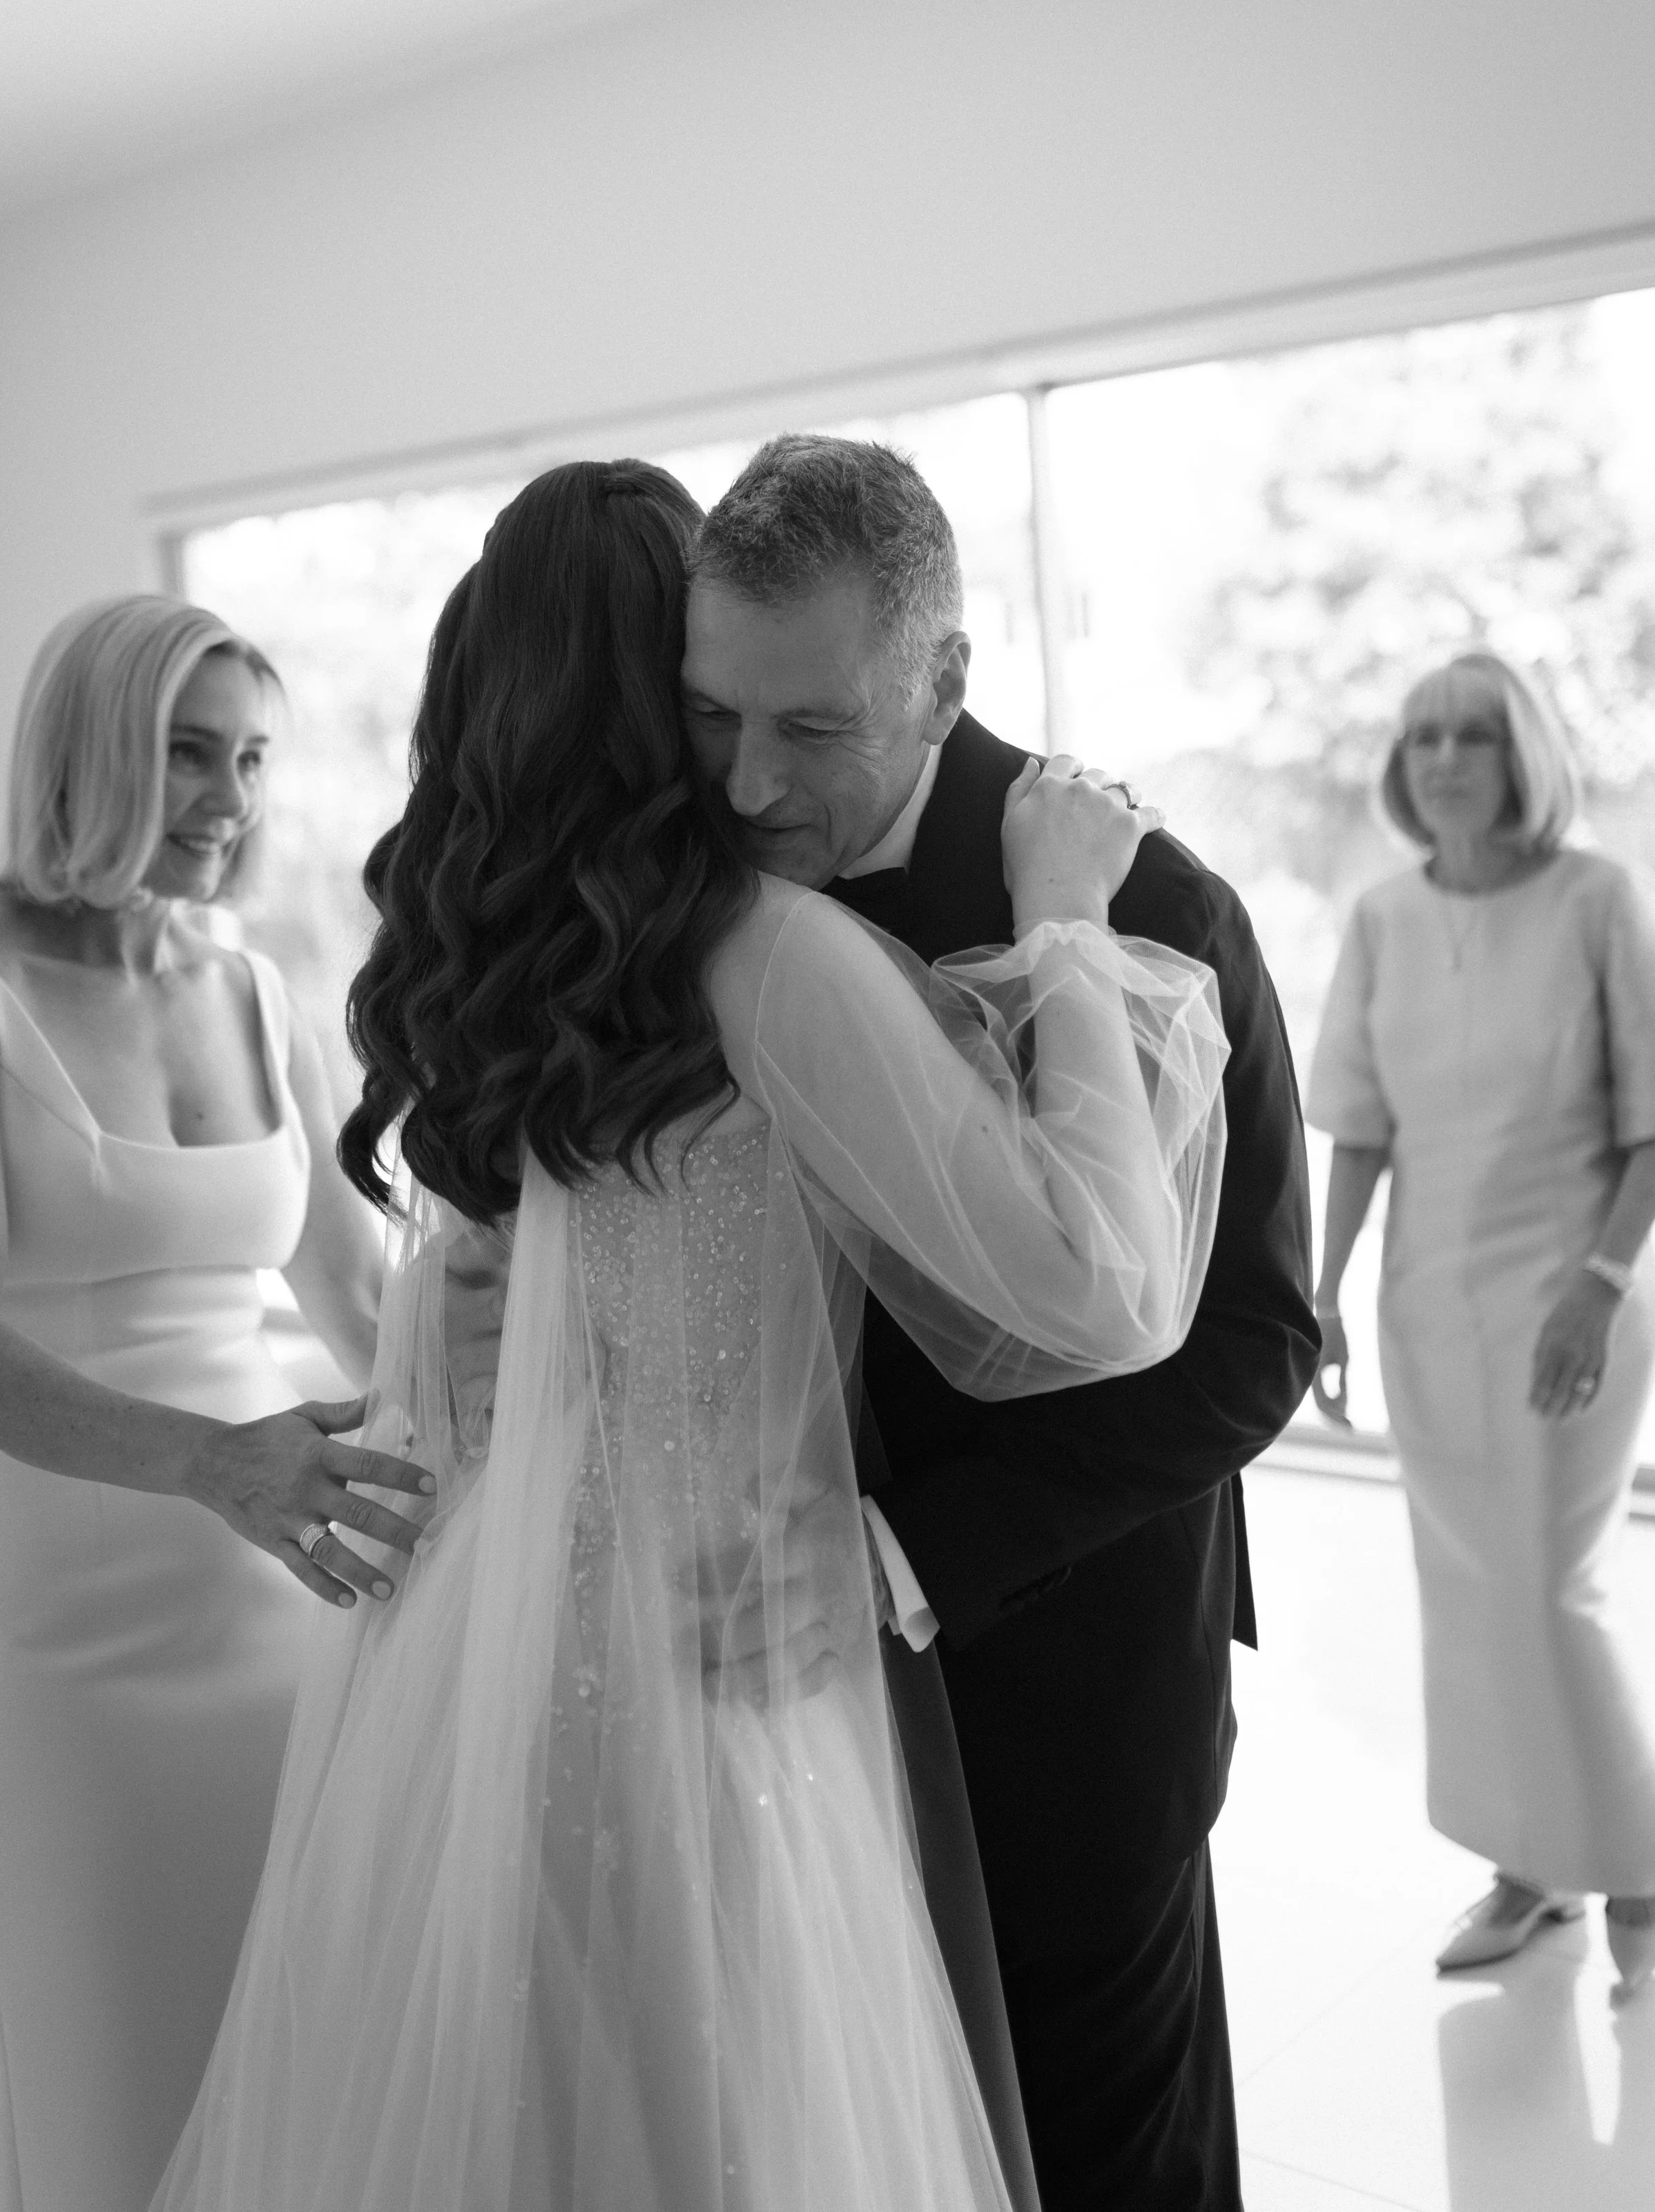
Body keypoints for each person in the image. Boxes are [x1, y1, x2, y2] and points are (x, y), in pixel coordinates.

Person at [148, 459, 1229, 2212]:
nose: (744, 759)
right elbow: (1094, 1287)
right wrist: (1066, 927)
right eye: (705, 693)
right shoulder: (762, 952)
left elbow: (492, 1305)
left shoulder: (496, 971)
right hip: (714, 1648)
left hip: (471, 1655)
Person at [682, 434, 1321, 2211]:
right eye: (710, 713)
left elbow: (1254, 1340)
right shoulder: (700, 886)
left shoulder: (1149, 910)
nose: (742, 782)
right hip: (771, 1703)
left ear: (941, 678)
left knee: (1107, 2159)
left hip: (1058, 1682)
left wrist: (903, 1549)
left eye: (807, 730)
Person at [0, 595, 438, 2212]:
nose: (230, 800)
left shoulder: (248, 989)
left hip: (280, 1613)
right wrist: (216, 1463)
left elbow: (361, 1294)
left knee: (283, 2081)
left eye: (253, 761)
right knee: (105, 2108)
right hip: (61, 1645)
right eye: (190, 755)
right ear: (90, 756)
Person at [1308, 648, 1655, 1994]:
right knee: (1465, 1600)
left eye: (1468, 734)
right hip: (1423, 1306)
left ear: (1520, 754)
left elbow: (1649, 1125)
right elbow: (1358, 1132)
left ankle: (1630, 1868)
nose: (1440, 758)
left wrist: (1600, 1284)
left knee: (1541, 1590)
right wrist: (1324, 1293)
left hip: (1570, 1299)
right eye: (1419, 738)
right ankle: (1526, 1867)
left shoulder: (1593, 899)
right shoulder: (1384, 918)